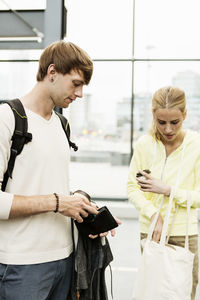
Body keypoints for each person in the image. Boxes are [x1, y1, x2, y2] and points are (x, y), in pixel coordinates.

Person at [0, 40, 117, 300]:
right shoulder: (7, 119)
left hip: (66, 261)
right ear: (52, 72)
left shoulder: (61, 125)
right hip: (21, 265)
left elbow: (49, 186)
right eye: (76, 83)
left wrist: (79, 202)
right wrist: (57, 203)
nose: (79, 94)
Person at [127, 86, 200, 300]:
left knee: (184, 294)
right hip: (151, 231)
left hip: (184, 234)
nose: (168, 129)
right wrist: (153, 214)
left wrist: (168, 190)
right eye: (161, 122)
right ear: (153, 116)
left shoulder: (196, 145)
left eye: (174, 122)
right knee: (151, 294)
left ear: (185, 115)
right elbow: (132, 187)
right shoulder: (144, 145)